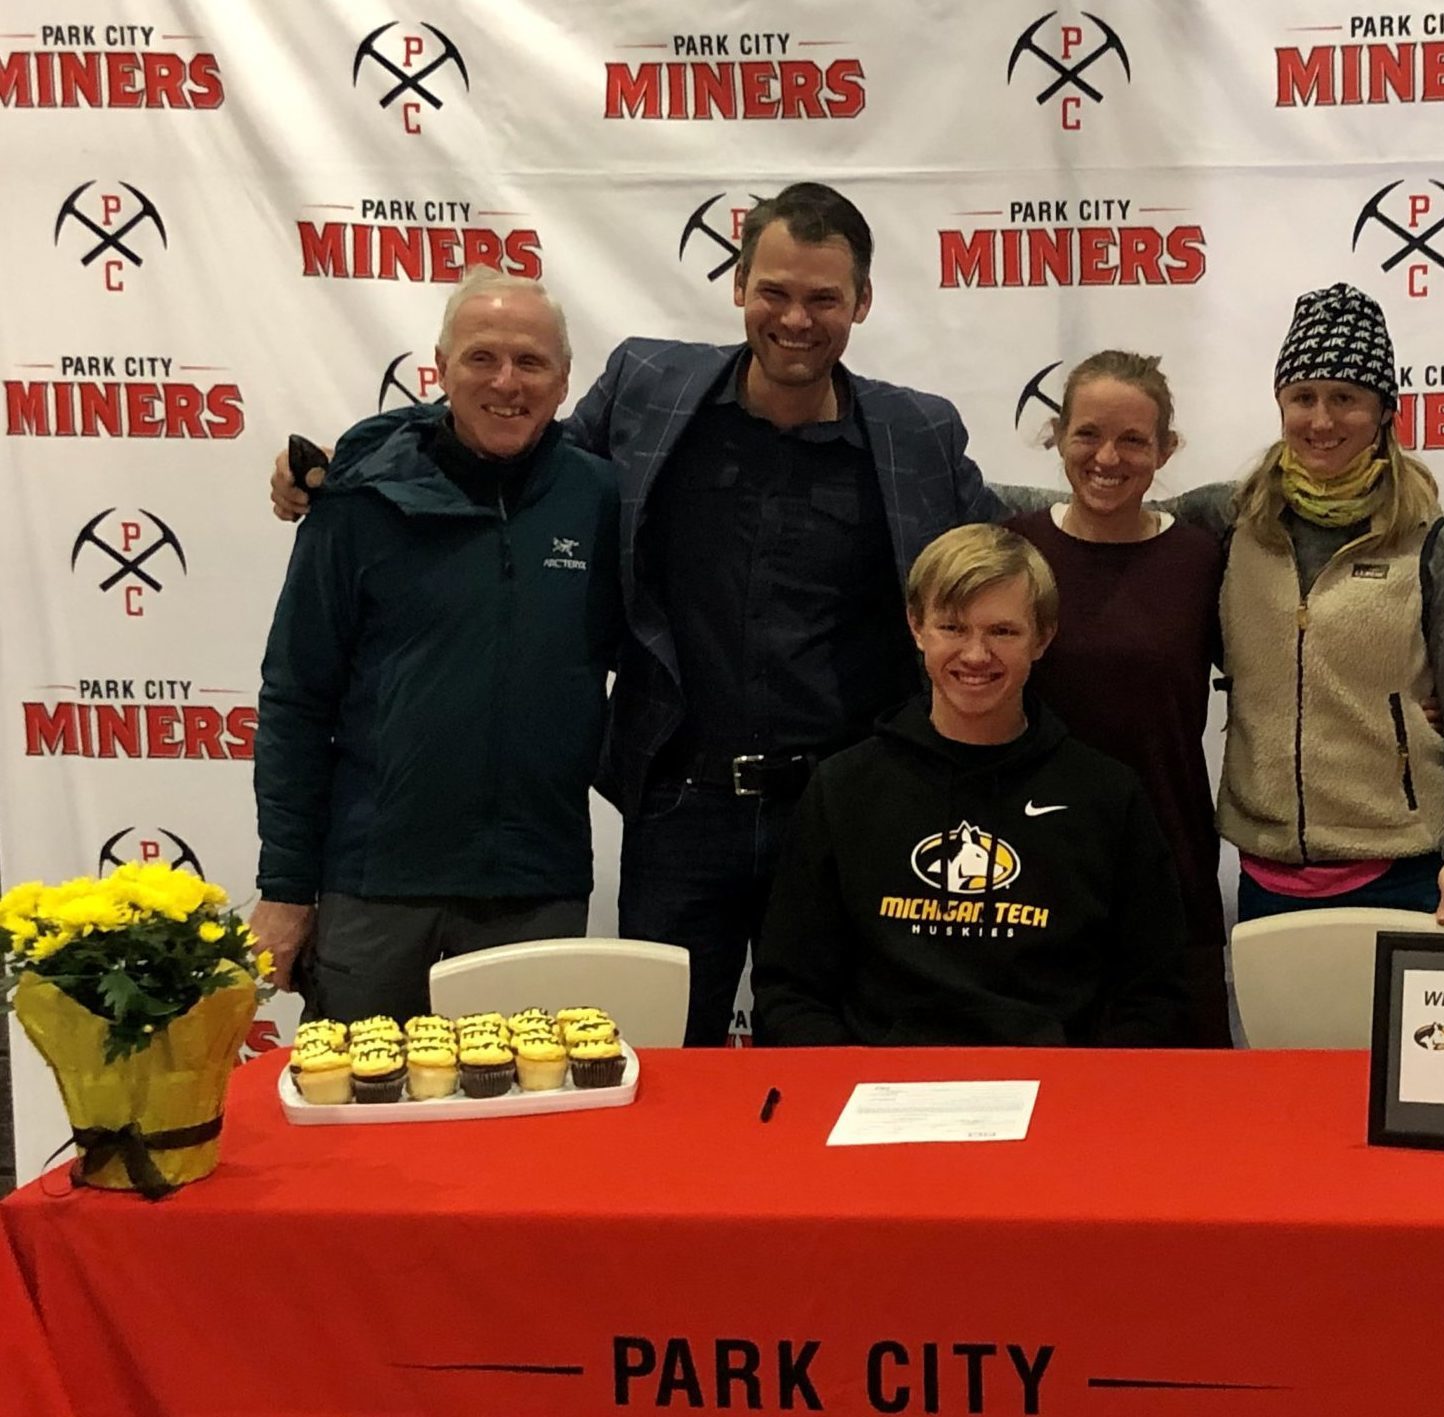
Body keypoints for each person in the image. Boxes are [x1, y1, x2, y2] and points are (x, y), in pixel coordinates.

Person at [272, 183, 1007, 1045]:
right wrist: (345, 459)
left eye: (823, 299)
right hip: (681, 810)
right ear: (737, 286)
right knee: (662, 1074)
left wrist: (1172, 519)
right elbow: (509, 439)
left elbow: (1011, 541)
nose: (795, 319)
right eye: (773, 291)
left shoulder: (916, 432)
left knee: (832, 1068)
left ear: (863, 304)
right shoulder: (648, 389)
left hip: (841, 811)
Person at [251, 270, 620, 1021]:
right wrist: (286, 889)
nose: (506, 382)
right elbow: (295, 700)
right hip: (374, 883)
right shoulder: (356, 499)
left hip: (535, 886)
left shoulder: (600, 498)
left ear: (564, 382)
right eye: (481, 358)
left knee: (517, 1127)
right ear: (440, 368)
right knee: (354, 1123)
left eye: (531, 362)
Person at [751, 524, 1188, 1046]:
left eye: (1002, 632)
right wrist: (856, 1083)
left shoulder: (1107, 796)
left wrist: (1084, 1092)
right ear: (917, 628)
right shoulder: (843, 788)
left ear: (1043, 637)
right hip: (880, 1095)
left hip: (1056, 1094)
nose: (976, 655)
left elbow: (1153, 993)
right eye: (953, 628)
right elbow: (790, 990)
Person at [1168, 284, 1444, 931]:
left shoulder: (1429, 540)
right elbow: (1111, 526)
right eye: (1304, 397)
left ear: (1382, 410)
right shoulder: (1229, 521)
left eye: (1345, 398)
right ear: (1281, 403)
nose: (1321, 420)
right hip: (1266, 873)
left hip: (1409, 872)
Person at [1004, 352, 1229, 1046]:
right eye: (1088, 434)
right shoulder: (1015, 551)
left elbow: (1282, 670)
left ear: (1166, 449)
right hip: (1034, 869)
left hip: (1171, 862)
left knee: (1183, 1110)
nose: (1109, 457)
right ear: (1058, 436)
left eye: (1134, 439)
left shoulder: (1201, 559)